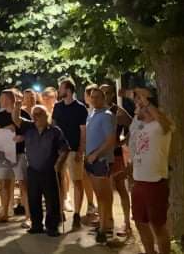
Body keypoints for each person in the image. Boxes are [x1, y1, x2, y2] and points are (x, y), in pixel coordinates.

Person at [12, 104, 69, 237]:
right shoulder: (29, 127)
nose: (36, 117)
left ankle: (52, 227)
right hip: (33, 169)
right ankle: (36, 225)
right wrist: (17, 107)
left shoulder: (55, 131)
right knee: (33, 199)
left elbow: (64, 150)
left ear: (46, 115)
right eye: (34, 115)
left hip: (49, 170)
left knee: (52, 200)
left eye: (39, 114)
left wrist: (59, 164)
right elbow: (16, 119)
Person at [128, 87, 172, 254]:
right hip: (139, 181)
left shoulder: (160, 126)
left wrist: (146, 102)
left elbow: (165, 122)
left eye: (139, 104)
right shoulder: (140, 126)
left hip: (155, 182)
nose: (136, 107)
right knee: (140, 222)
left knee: (158, 225)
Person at [51, 78, 90, 229]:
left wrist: (81, 150)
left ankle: (77, 214)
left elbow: (83, 131)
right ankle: (60, 210)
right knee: (58, 180)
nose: (58, 90)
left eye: (61, 88)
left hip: (73, 149)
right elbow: (53, 126)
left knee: (77, 181)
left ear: (68, 90)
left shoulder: (80, 108)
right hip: (59, 150)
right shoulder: (57, 106)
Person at [83, 88, 116, 244]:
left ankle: (104, 228)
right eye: (92, 97)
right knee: (99, 195)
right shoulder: (91, 113)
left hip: (101, 161)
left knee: (103, 196)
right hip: (90, 161)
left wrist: (96, 155)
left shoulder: (107, 116)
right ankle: (104, 223)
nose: (94, 100)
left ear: (103, 98)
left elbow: (110, 140)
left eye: (97, 97)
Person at [0, 89, 30, 226]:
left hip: (20, 153)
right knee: (4, 184)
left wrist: (22, 137)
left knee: (23, 185)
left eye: (2, 98)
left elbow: (31, 132)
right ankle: (4, 213)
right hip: (4, 155)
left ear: (8, 99)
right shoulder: (0, 115)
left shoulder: (23, 113)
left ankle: (29, 217)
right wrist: (5, 129)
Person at [102, 84, 133, 238]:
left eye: (107, 93)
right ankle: (107, 221)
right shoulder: (96, 110)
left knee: (120, 187)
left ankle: (127, 222)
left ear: (112, 95)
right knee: (104, 190)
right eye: (102, 92)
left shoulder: (118, 111)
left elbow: (132, 125)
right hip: (100, 156)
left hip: (115, 155)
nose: (105, 95)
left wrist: (122, 142)